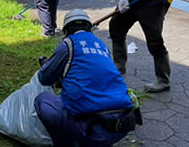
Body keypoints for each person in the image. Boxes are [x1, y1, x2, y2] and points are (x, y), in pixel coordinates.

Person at [34, 9, 137, 147]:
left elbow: (44, 78)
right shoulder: (102, 46)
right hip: (123, 125)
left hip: (92, 130)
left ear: (66, 31)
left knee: (43, 101)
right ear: (89, 28)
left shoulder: (68, 44)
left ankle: (67, 144)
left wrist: (51, 67)